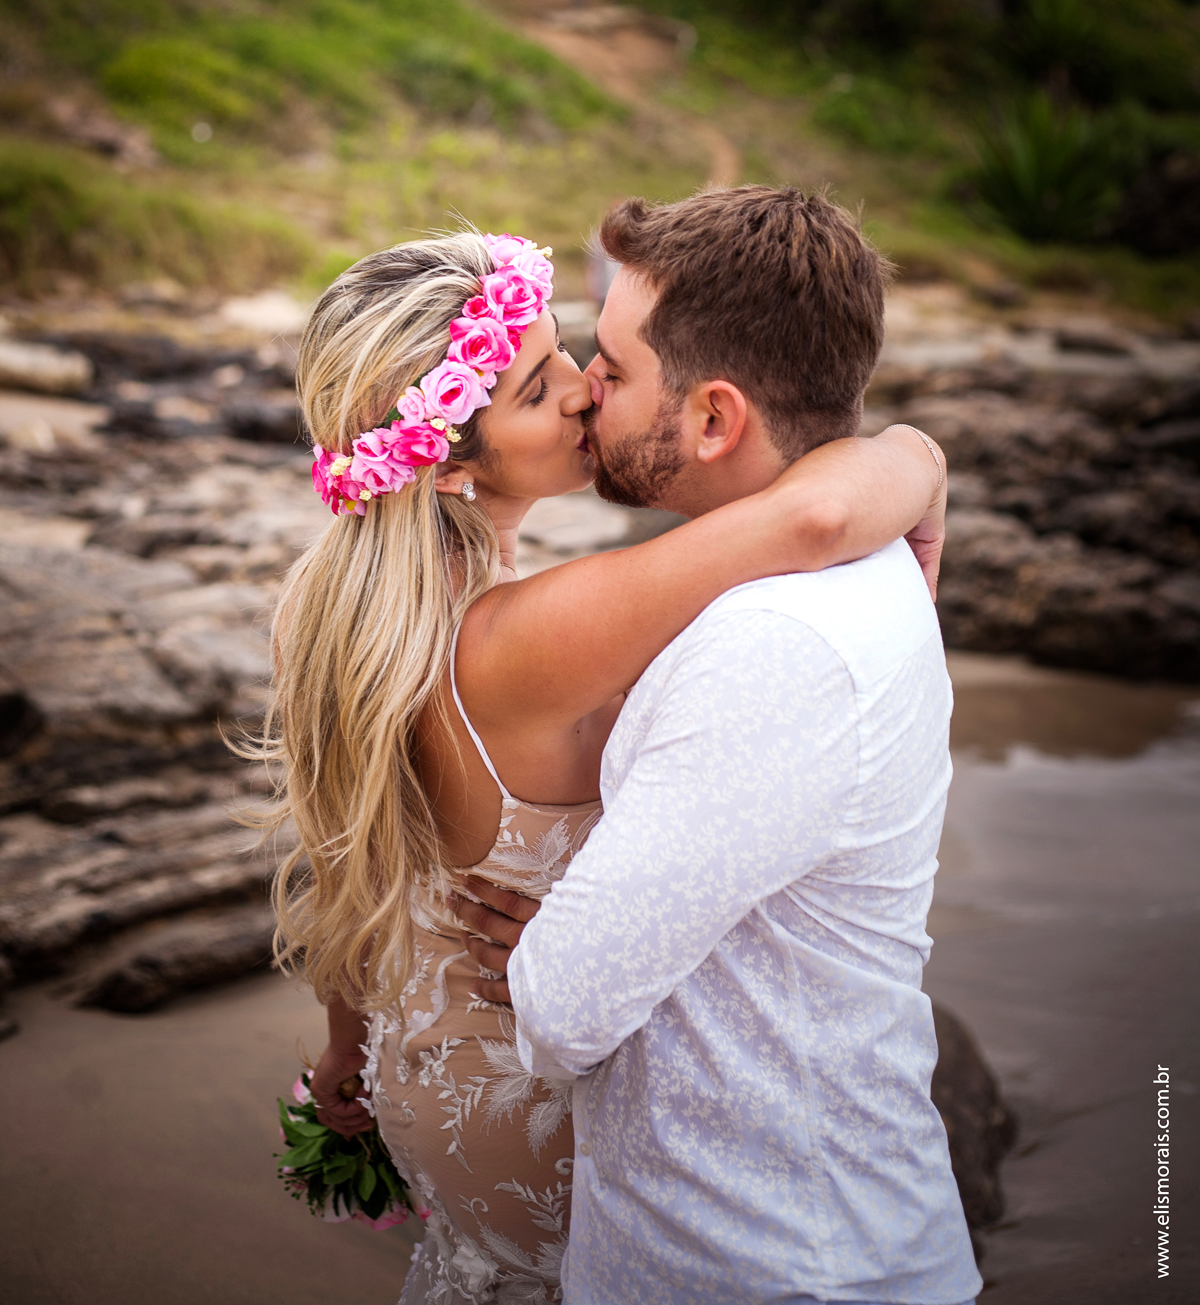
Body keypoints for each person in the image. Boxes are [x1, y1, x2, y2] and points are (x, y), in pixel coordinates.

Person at [264, 214, 948, 1304]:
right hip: (526, 1094)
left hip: (422, 1059)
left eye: (572, 354)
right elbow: (815, 515)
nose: (585, 388)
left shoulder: (353, 614)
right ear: (445, 466)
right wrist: (916, 454)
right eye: (538, 390)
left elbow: (345, 844)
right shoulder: (531, 633)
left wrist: (347, 1035)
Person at [463, 189, 981, 1305]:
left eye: (610, 364)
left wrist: (555, 933)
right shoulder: (834, 563)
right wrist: (915, 456)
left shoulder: (773, 643)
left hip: (768, 1268)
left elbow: (561, 1014)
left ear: (711, 419)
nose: (585, 390)